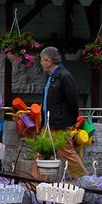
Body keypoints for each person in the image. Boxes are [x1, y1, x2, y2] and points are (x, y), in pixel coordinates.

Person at [39, 46, 88, 179]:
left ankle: (86, 183)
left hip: (59, 125)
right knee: (42, 153)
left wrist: (72, 121)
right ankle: (37, 185)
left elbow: (72, 101)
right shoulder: (52, 76)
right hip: (48, 124)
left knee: (67, 154)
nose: (41, 63)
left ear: (48, 61)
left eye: (42, 60)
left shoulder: (64, 76)